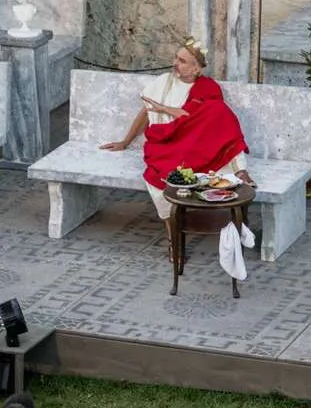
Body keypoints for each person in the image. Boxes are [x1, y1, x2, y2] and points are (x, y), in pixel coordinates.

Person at [100, 37, 252, 253]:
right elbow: (146, 113)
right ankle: (173, 238)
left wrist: (164, 109)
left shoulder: (208, 87)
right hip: (166, 143)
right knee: (158, 177)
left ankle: (241, 173)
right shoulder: (164, 82)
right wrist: (125, 141)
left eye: (182, 61)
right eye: (176, 58)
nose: (175, 63)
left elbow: (197, 118)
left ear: (196, 68)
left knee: (221, 113)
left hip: (195, 143)